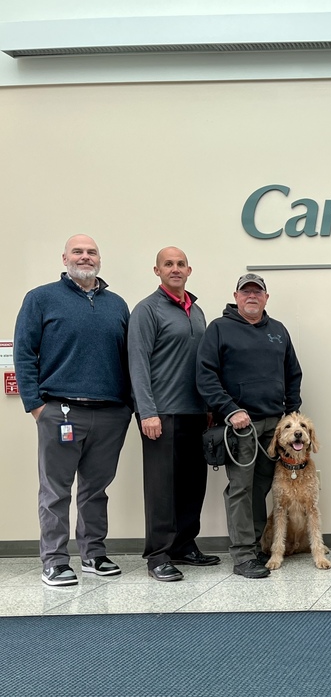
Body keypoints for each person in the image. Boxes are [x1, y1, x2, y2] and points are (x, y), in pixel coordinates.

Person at [14, 234, 133, 586]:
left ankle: (94, 554)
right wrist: (36, 406)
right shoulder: (40, 299)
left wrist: (127, 406)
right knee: (56, 491)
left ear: (100, 259)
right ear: (64, 258)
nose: (85, 257)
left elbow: (128, 359)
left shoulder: (117, 304)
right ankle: (54, 560)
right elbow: (24, 353)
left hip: (110, 414)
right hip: (60, 412)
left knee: (96, 491)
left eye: (91, 252)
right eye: (78, 252)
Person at [196, 273, 302, 579]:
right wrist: (229, 410)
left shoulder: (278, 331)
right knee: (240, 488)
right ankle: (242, 555)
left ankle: (256, 546)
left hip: (274, 426)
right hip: (241, 426)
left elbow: (293, 373)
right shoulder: (219, 329)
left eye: (258, 292)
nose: (252, 296)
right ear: (237, 296)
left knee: (261, 486)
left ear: (266, 298)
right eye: (246, 292)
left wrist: (291, 413)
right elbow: (205, 375)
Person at [128, 247, 219, 583]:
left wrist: (209, 407)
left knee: (193, 484)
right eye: (169, 264)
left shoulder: (197, 311)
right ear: (157, 270)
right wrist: (146, 412)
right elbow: (137, 365)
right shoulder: (147, 310)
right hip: (161, 414)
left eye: (181, 264)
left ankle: (184, 544)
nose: (175, 269)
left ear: (189, 270)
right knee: (162, 489)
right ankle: (158, 555)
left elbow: (204, 364)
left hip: (195, 413)